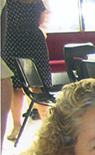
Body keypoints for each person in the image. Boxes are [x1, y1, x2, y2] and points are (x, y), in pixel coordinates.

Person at [1, 0, 51, 141]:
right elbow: (41, 20)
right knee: (29, 86)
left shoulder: (10, 3)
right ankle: (43, 125)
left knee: (26, 86)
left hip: (16, 41)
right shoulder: (33, 2)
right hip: (26, 41)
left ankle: (34, 126)